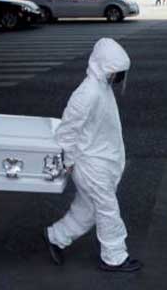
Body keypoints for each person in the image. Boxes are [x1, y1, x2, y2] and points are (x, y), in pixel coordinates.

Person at [43, 38, 142, 273]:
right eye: (115, 71)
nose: (118, 77)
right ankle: (114, 257)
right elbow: (67, 130)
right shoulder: (87, 93)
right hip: (90, 164)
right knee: (108, 210)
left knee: (88, 210)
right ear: (104, 66)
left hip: (100, 161)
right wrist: (68, 160)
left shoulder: (101, 87)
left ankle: (55, 236)